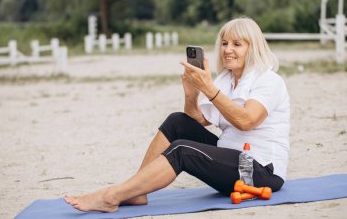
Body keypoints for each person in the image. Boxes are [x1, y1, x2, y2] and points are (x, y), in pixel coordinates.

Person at [64, 17, 290, 212]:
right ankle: (135, 192)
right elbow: (197, 119)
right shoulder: (227, 80)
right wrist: (191, 94)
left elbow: (246, 121)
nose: (227, 49)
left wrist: (210, 90)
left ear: (253, 48)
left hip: (260, 171)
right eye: (224, 43)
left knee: (182, 150)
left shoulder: (269, 81)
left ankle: (111, 196)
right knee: (177, 122)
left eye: (237, 44)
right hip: (231, 158)